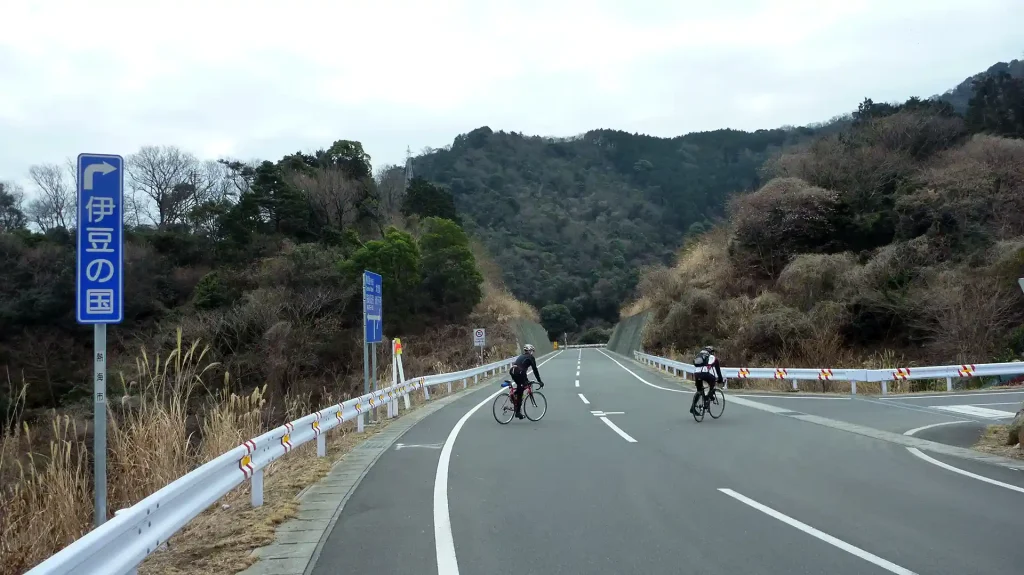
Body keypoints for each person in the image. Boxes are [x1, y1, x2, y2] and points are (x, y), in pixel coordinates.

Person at [509, 343, 544, 419]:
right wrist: (540, 381)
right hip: (519, 372)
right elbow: (535, 370)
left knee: (522, 385)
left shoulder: (521, 356)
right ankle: (518, 412)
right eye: (532, 351)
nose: (532, 353)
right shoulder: (531, 357)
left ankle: (514, 395)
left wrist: (527, 380)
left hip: (512, 371)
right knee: (521, 390)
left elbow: (523, 370)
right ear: (530, 351)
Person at [691, 345, 723, 415]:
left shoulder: (699, 356)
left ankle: (692, 408)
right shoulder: (713, 358)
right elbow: (718, 371)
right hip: (704, 374)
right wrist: (720, 379)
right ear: (712, 352)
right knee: (713, 380)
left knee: (699, 391)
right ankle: (708, 397)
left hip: (696, 374)